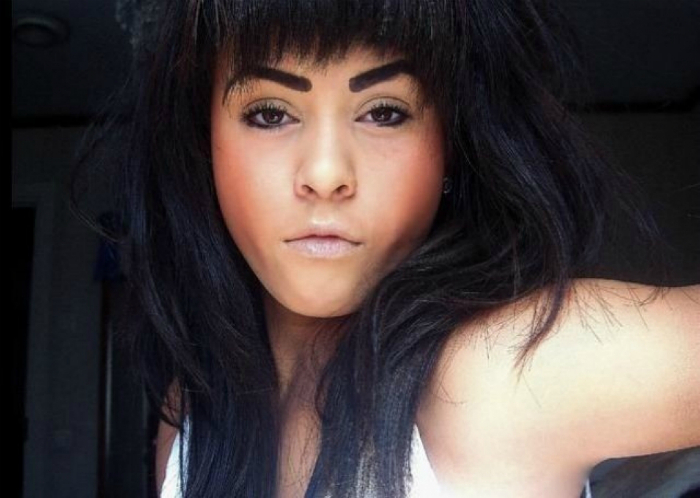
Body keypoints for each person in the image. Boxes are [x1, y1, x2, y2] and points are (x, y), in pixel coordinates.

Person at [69, 0, 700, 496]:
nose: (325, 173)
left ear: (452, 146)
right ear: (202, 143)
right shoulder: (191, 411)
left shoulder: (509, 368)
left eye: (385, 112)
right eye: (270, 113)